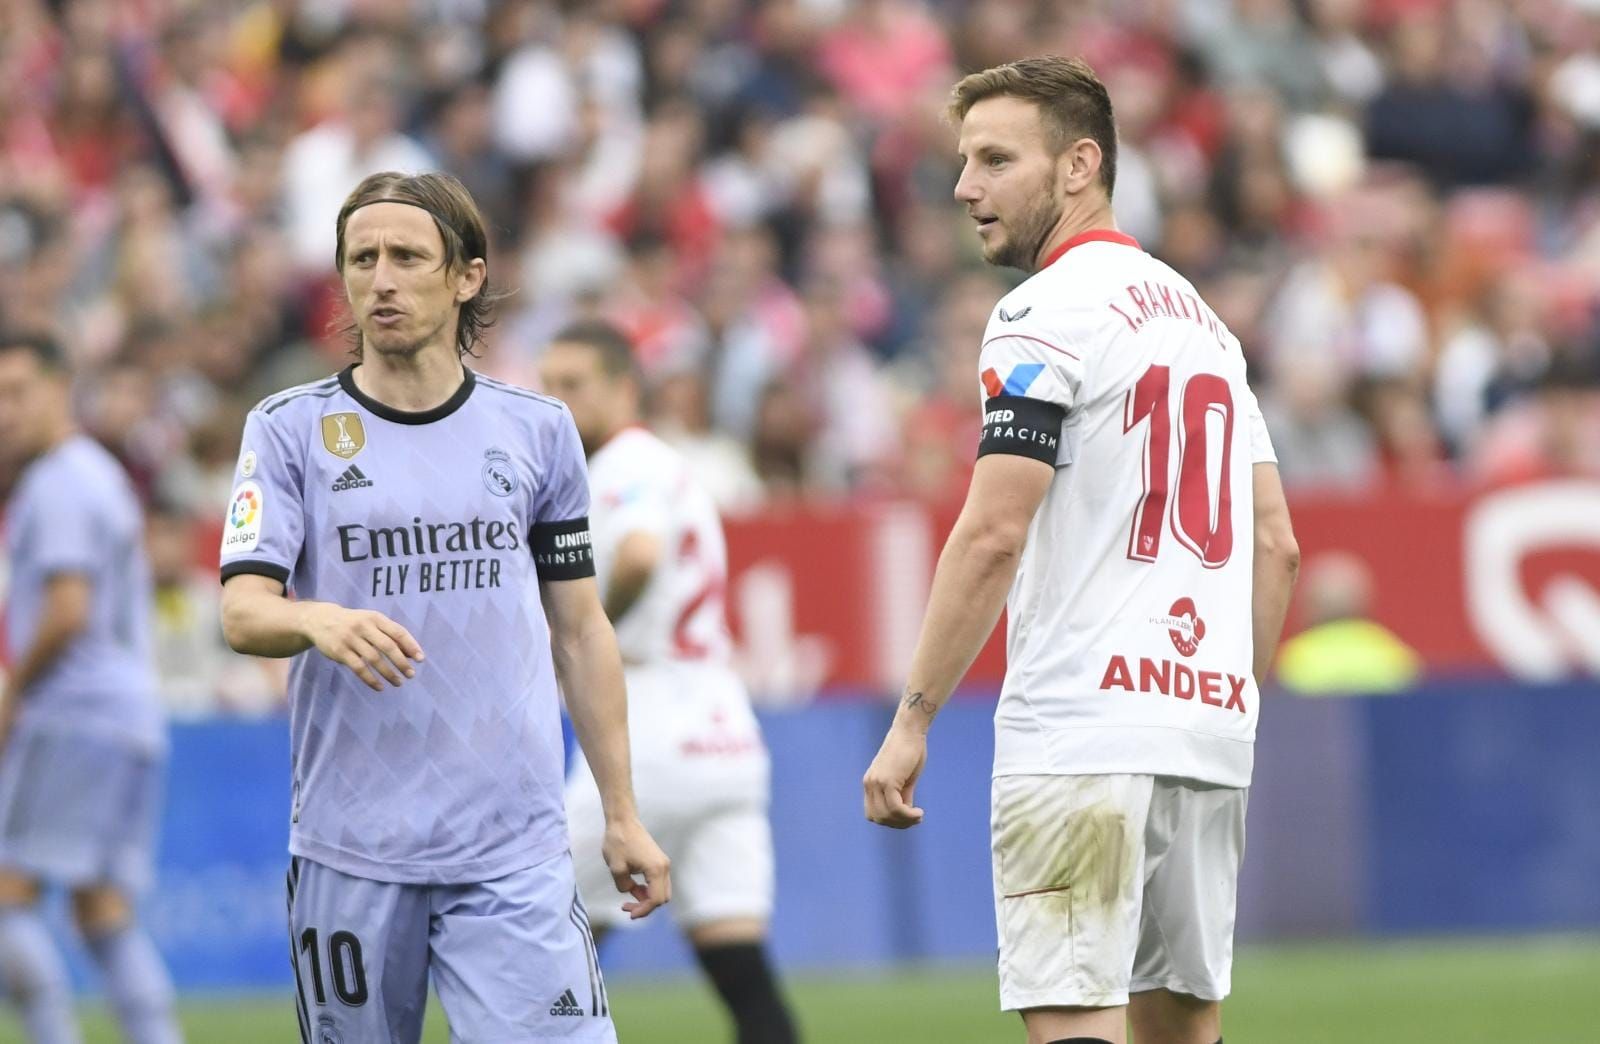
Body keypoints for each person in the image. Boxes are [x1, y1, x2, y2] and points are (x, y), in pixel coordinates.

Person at [861, 57, 1301, 1044]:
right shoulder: (1206, 328)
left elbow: (992, 531)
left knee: (1077, 1022)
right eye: (963, 161)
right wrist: (1230, 704)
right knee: (1184, 1026)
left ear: (1078, 166)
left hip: (1081, 729)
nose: (964, 186)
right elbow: (1275, 544)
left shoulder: (1041, 311)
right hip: (1202, 725)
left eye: (994, 159)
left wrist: (913, 718)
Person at [218, 171, 670, 1044]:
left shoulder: (539, 430)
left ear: (465, 276)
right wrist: (317, 619)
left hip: (515, 846)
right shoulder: (286, 430)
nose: (381, 279)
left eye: (407, 257)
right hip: (352, 849)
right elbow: (242, 613)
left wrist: (620, 813)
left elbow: (580, 628)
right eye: (362, 259)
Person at [539, 320, 799, 1044]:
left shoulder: (624, 462)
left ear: (624, 387)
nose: (556, 402)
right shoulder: (670, 464)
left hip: (648, 729)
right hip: (724, 735)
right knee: (741, 967)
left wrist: (585, 634)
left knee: (538, 945)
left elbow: (640, 556)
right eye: (548, 385)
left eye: (573, 385)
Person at [0, 332, 181, 1044]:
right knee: (101, 910)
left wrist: (15, 688)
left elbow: (67, 609)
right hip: (129, 715)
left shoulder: (56, 483)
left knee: (7, 899)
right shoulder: (98, 472)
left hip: (74, 713)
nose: (6, 412)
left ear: (60, 388)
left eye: (18, 393)